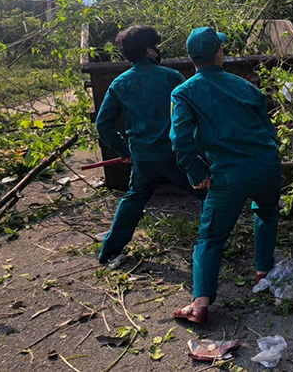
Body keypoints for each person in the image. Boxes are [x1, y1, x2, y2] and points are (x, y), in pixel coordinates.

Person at [170, 27, 281, 325]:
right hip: (267, 165)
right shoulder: (247, 88)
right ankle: (263, 271)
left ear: (192, 58)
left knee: (211, 237)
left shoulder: (183, 92)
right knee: (267, 214)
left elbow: (180, 140)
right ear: (219, 53)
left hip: (229, 175)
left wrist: (196, 172)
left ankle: (200, 305)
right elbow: (269, 131)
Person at [96, 25, 191, 265]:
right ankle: (216, 241)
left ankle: (109, 250)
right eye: (156, 47)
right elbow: (193, 113)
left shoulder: (120, 83)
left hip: (143, 157)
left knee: (134, 198)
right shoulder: (172, 77)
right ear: (149, 50)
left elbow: (103, 123)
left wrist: (124, 150)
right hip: (174, 154)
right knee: (205, 192)